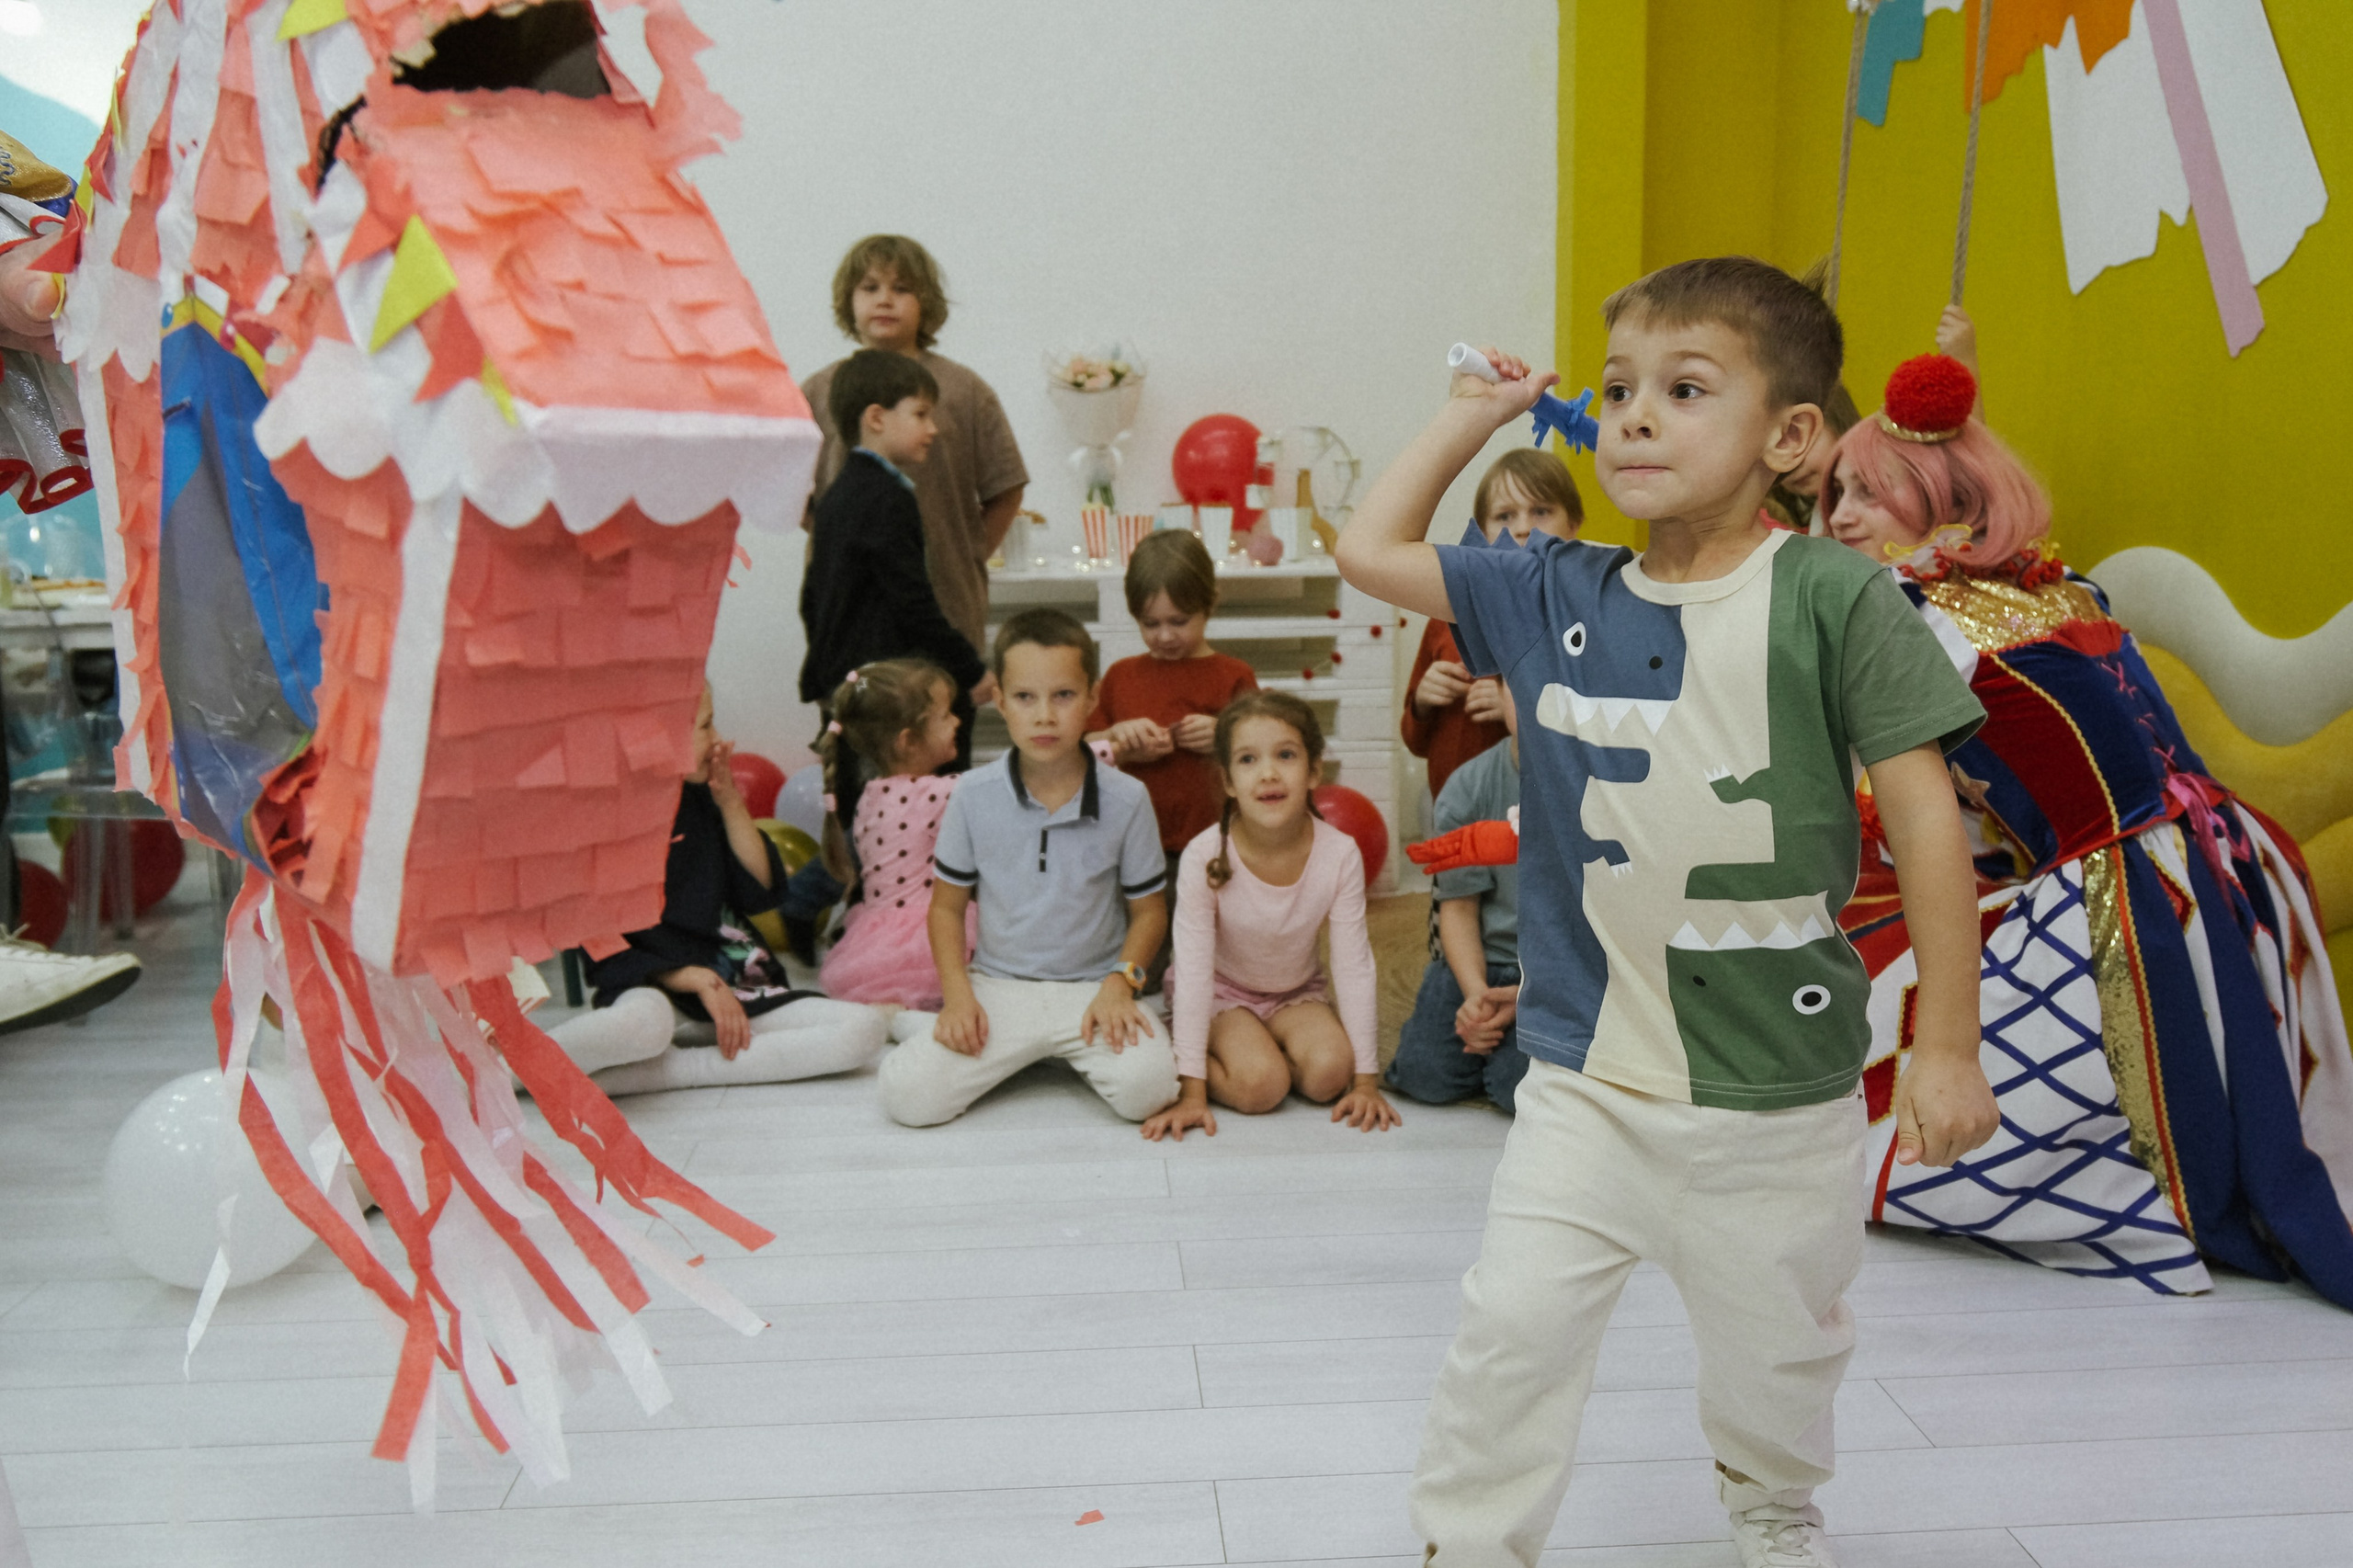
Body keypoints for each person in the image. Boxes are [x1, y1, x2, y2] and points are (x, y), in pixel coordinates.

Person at [1335, 256, 1999, 1568]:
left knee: (1780, 1348)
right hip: (1585, 1073)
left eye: (1686, 389)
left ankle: (1770, 1504)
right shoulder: (1552, 589)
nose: (1636, 415)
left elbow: (1930, 818)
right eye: (1623, 385)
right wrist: (1476, 408)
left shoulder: (1836, 596)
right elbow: (1368, 550)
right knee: (1510, 1325)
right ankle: (1468, 1543)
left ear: (1791, 438)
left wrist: (1945, 1040)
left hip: (1778, 1084)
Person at [1823, 347, 2353, 1307]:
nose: (1841, 517)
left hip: (2120, 881)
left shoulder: (1912, 611)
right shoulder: (2065, 591)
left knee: (1903, 1109)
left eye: (1869, 491)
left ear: (1942, 496)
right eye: (1836, 494)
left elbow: (1916, 805)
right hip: (2224, 855)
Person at [876, 609, 1177, 1127]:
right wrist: (957, 999)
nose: (1044, 715)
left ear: (1092, 698)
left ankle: (1045, 1049)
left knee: (1148, 1091)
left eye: (1063, 695)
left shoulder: (1128, 798)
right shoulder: (971, 794)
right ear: (999, 702)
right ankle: (935, 1028)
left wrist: (1120, 984)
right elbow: (946, 910)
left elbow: (1149, 912)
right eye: (1025, 697)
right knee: (908, 1097)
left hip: (1094, 988)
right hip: (998, 987)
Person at [548, 686, 887, 1094]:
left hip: (737, 983)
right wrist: (688, 978)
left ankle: (661, 1073)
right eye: (705, 725)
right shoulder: (598, 823)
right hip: (655, 990)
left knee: (862, 1029)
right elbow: (603, 948)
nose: (717, 739)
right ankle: (509, 1070)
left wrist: (730, 803)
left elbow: (761, 892)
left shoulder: (701, 799)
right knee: (644, 1027)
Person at [800, 234, 1027, 768]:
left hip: (944, 609)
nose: (884, 299)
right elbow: (792, 489)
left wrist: (969, 550)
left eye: (902, 288)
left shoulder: (964, 391)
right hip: (851, 630)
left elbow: (1005, 486)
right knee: (858, 772)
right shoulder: (818, 391)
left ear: (926, 303)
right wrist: (843, 543)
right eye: (870, 287)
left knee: (942, 766)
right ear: (848, 302)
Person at [1142, 692, 1398, 1142]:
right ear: (1227, 780)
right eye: (1247, 759)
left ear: (1314, 770)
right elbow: (1196, 971)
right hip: (1222, 992)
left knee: (1329, 1074)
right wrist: (1192, 1094)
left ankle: (1272, 1049)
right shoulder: (1205, 855)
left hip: (1296, 993)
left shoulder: (1340, 854)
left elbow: (1353, 966)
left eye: (1285, 755)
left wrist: (1366, 1083)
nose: (1268, 773)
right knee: (1262, 1086)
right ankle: (1185, 1046)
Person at [1084, 528, 1258, 983]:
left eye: (1178, 621)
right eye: (1149, 623)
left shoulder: (1233, 675)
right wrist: (1118, 740)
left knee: (1216, 948)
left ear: (1210, 605)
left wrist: (1225, 736)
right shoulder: (1122, 677)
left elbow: (1264, 757)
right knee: (1144, 951)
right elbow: (1080, 750)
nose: (1163, 636)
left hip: (1214, 844)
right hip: (1135, 848)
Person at [1400, 447, 1582, 798]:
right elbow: (1414, 741)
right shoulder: (1446, 615)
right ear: (1481, 534)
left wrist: (1517, 710)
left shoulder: (1581, 619)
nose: (1524, 528)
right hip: (1456, 811)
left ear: (1573, 524)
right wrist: (1422, 701)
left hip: (1545, 810)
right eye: (1504, 516)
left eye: (1541, 511)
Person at [1387, 678, 1528, 1114]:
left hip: (1555, 971)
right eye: (1522, 689)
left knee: (1513, 1090)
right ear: (1499, 693)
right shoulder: (1469, 786)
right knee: (1424, 1075)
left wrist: (1530, 995)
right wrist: (1476, 996)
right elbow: (1459, 909)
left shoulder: (1597, 787)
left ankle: (1503, 1059)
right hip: (1479, 959)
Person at [814, 658, 973, 1011]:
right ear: (909, 741)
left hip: (874, 937)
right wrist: (1098, 751)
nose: (958, 721)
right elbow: (1014, 782)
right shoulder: (935, 792)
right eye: (946, 715)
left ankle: (890, 1018)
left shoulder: (871, 793)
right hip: (922, 933)